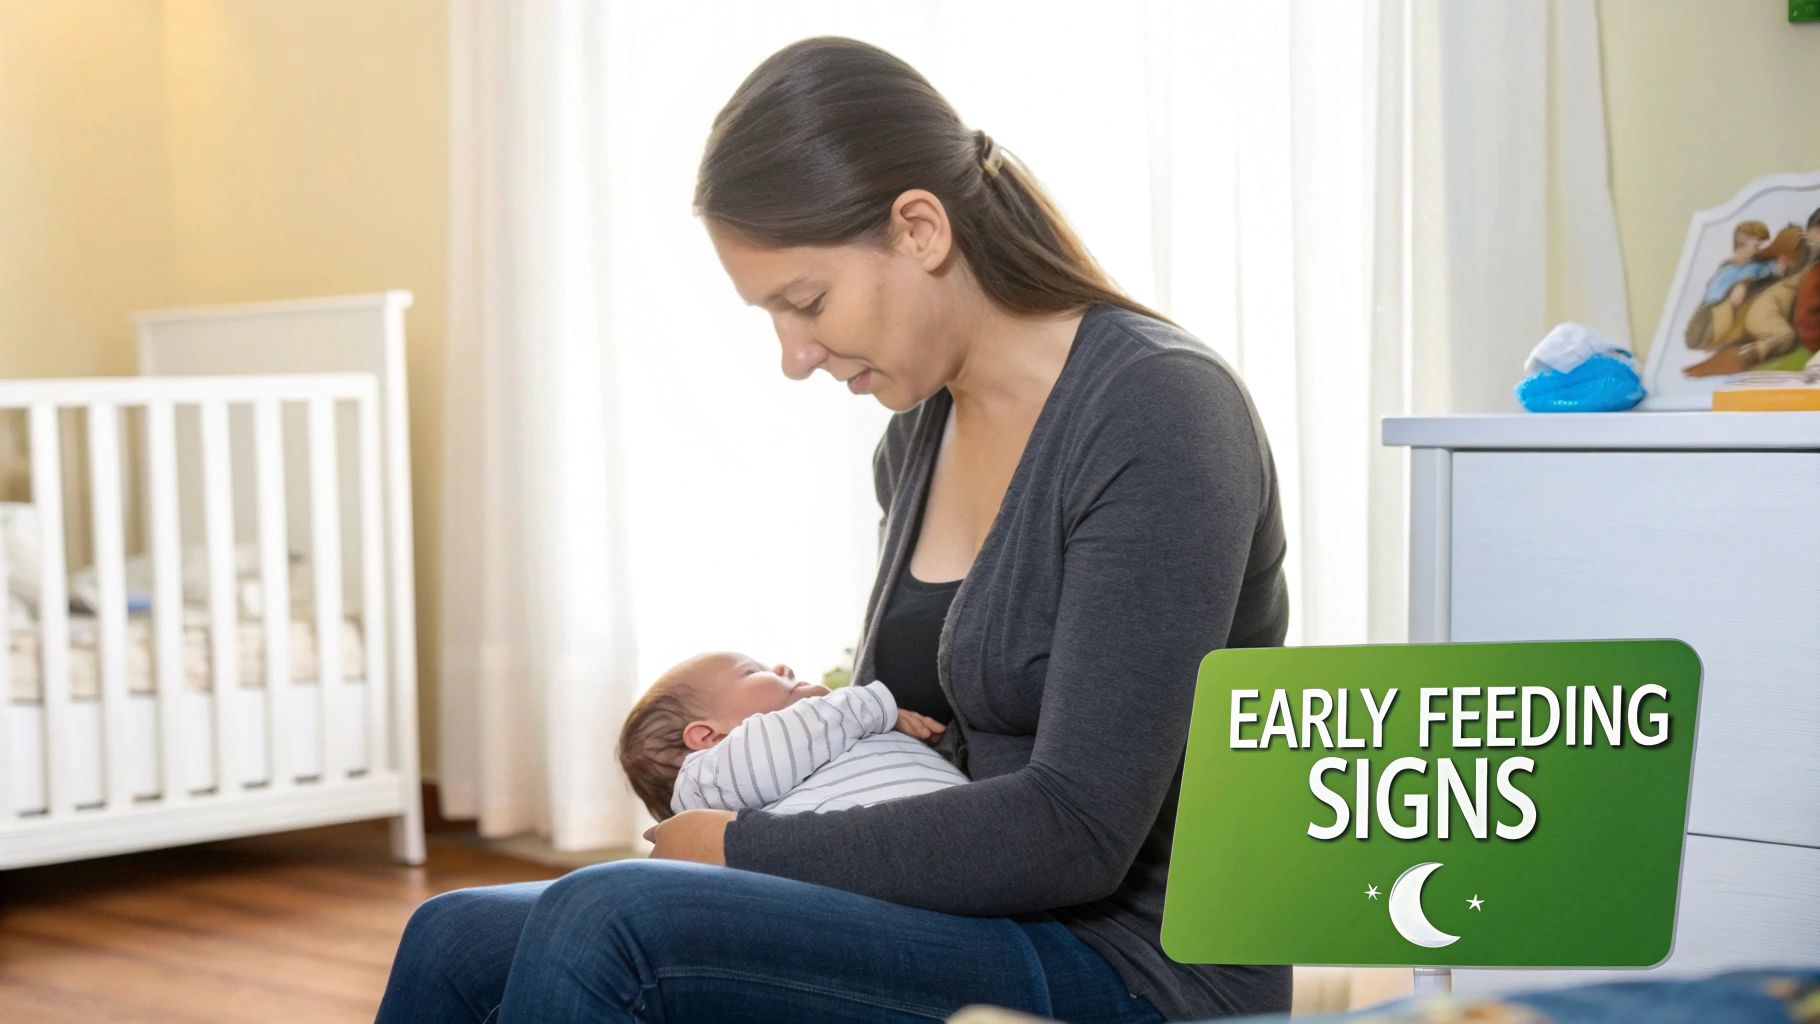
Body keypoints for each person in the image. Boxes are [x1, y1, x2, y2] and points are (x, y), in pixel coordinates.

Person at [377, 35, 1290, 1023]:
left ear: (918, 228)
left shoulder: (1156, 411)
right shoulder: (914, 439)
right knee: (456, 931)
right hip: (975, 921)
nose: (793, 354)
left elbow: (1074, 829)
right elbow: (923, 738)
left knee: (613, 918)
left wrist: (737, 848)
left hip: (1131, 965)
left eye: (803, 302)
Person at [617, 652, 962, 819]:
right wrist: (870, 705)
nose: (781, 667)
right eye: (753, 671)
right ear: (708, 737)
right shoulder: (707, 779)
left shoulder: (821, 738)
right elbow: (777, 746)